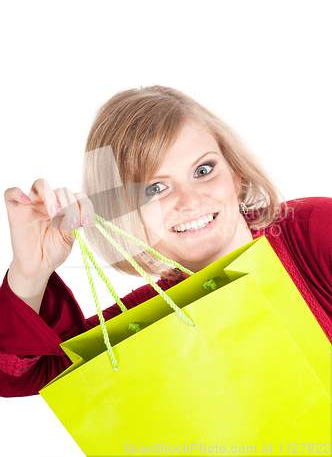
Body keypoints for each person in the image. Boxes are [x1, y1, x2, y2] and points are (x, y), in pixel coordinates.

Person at [1, 85, 332, 398]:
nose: (190, 201)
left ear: (235, 172)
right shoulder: (149, 314)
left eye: (203, 170)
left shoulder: (315, 230)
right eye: (155, 188)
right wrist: (30, 271)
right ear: (123, 214)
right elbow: (18, 377)